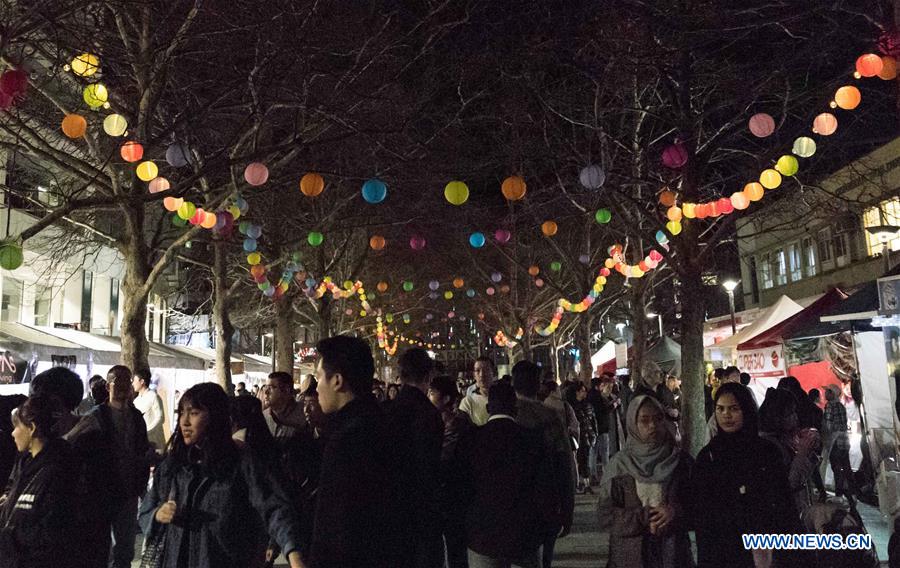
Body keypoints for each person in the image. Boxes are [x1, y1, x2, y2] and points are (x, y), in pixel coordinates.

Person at [138, 383, 305, 568]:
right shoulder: (173, 465)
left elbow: (274, 508)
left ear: (215, 417)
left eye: (193, 413)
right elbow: (145, 512)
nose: (184, 422)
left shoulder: (241, 462)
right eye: (181, 413)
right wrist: (157, 515)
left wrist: (293, 553)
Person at [310, 335, 409, 567]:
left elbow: (335, 526)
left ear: (337, 380)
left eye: (318, 378)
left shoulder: (347, 439)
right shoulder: (382, 423)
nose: (316, 388)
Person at [691, 383, 798, 568]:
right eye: (720, 409)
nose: (726, 415)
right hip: (722, 552)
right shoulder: (708, 457)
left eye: (734, 408)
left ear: (746, 410)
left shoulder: (766, 452)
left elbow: (782, 502)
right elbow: (701, 512)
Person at [64, 365, 152, 568]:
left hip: (128, 491)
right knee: (100, 548)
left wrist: (144, 466)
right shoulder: (96, 416)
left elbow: (141, 449)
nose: (122, 386)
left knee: (124, 550)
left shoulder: (137, 418)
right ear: (108, 385)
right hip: (101, 492)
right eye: (117, 381)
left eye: (126, 381)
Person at [458, 382, 552, 568]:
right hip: (525, 533)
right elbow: (545, 488)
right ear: (515, 408)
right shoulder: (533, 440)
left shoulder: (471, 440)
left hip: (483, 534)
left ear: (488, 408)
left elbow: (461, 488)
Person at [596, 395, 693, 568]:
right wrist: (644, 517)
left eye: (658, 419)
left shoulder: (680, 462)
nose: (653, 425)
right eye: (644, 420)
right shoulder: (619, 466)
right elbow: (606, 516)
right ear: (633, 424)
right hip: (629, 557)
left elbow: (698, 505)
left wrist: (675, 512)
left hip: (674, 554)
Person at [0, 395, 78, 568]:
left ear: (32, 428)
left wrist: (9, 539)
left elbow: (49, 532)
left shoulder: (58, 470)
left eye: (17, 426)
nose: (12, 433)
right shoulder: (24, 463)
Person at [511, 361, 575, 568]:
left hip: (510, 504)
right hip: (545, 501)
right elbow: (564, 464)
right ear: (538, 384)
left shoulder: (503, 416)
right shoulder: (549, 418)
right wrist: (567, 507)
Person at [386, 347, 444, 568]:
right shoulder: (429, 415)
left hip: (392, 510)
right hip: (422, 511)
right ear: (428, 376)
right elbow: (430, 466)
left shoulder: (388, 411)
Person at [428, 374, 473, 568]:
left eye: (432, 393)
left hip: (453, 494)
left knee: (455, 546)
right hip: (447, 493)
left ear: (446, 398)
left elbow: (445, 458)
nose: (428, 396)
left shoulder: (455, 422)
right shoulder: (438, 419)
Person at [759, 387, 821, 516]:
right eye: (790, 413)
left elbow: (804, 475)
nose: (796, 417)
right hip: (783, 514)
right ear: (777, 417)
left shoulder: (786, 438)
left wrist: (810, 449)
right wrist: (803, 452)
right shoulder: (768, 446)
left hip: (798, 509)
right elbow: (789, 484)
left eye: (795, 412)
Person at [823, 385, 855, 507]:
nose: (825, 393)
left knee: (836, 468)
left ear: (832, 394)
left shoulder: (830, 406)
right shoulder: (841, 405)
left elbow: (828, 425)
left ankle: (838, 495)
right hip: (844, 440)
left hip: (835, 441)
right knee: (846, 467)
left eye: (827, 391)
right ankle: (852, 492)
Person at [566, 382, 598, 494]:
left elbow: (593, 421)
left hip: (587, 436)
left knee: (585, 459)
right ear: (577, 392)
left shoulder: (587, 405)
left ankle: (586, 483)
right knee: (579, 460)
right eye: (583, 390)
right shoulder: (571, 407)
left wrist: (594, 433)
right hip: (577, 437)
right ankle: (581, 483)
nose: (585, 393)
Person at [263, 371, 307, 450]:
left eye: (271, 387)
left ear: (286, 390)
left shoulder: (304, 413)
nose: (266, 392)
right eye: (266, 387)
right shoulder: (264, 416)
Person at [132, 368, 166, 454]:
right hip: (141, 442)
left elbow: (160, 418)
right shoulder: (136, 401)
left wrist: (147, 431)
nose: (132, 384)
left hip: (155, 442)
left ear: (142, 381)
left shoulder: (153, 396)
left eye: (134, 380)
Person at [459, 356, 496, 426]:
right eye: (477, 371)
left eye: (486, 370)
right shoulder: (467, 402)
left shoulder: (503, 399)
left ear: (493, 372)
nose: (482, 375)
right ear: (474, 375)